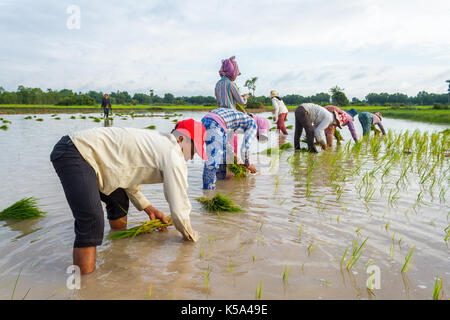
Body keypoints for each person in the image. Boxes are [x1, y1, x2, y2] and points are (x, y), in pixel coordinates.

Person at [50, 119, 207, 274]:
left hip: (89, 157)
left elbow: (126, 175)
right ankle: (85, 286)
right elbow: (179, 207)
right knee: (91, 221)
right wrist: (190, 237)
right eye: (192, 151)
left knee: (118, 199)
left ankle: (117, 247)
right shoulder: (173, 154)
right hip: (75, 152)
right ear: (181, 139)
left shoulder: (157, 144)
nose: (192, 157)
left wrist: (149, 208)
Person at [201, 108, 269, 190]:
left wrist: (236, 158)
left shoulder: (241, 119)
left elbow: (226, 144)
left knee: (222, 157)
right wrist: (248, 164)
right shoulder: (253, 124)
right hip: (215, 123)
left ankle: (219, 186)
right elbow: (245, 148)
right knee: (213, 159)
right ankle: (208, 192)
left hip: (206, 120)